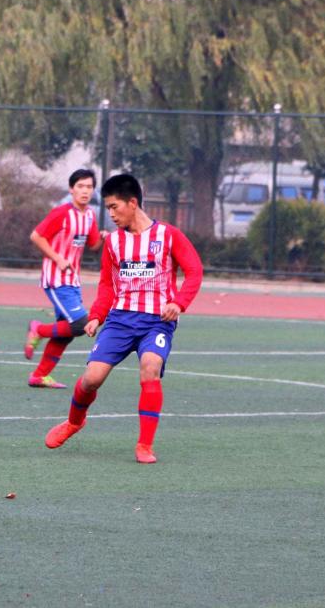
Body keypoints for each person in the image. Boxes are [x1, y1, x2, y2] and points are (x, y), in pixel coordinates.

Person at [44, 173, 203, 464]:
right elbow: (107, 285)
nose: (111, 214)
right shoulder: (114, 243)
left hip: (157, 322)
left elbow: (194, 271)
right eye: (108, 208)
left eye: (114, 207)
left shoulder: (168, 235)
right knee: (92, 379)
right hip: (119, 321)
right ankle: (74, 422)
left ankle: (144, 445)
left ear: (132, 203)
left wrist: (179, 303)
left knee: (150, 367)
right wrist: (96, 316)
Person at [23, 169, 103, 388]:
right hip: (56, 279)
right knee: (80, 324)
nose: (85, 191)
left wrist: (104, 237)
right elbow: (36, 236)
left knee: (65, 332)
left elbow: (94, 245)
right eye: (80, 186)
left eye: (89, 187)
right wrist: (58, 258)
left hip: (72, 280)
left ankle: (39, 375)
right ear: (71, 189)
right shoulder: (62, 213)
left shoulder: (90, 215)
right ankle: (38, 329)